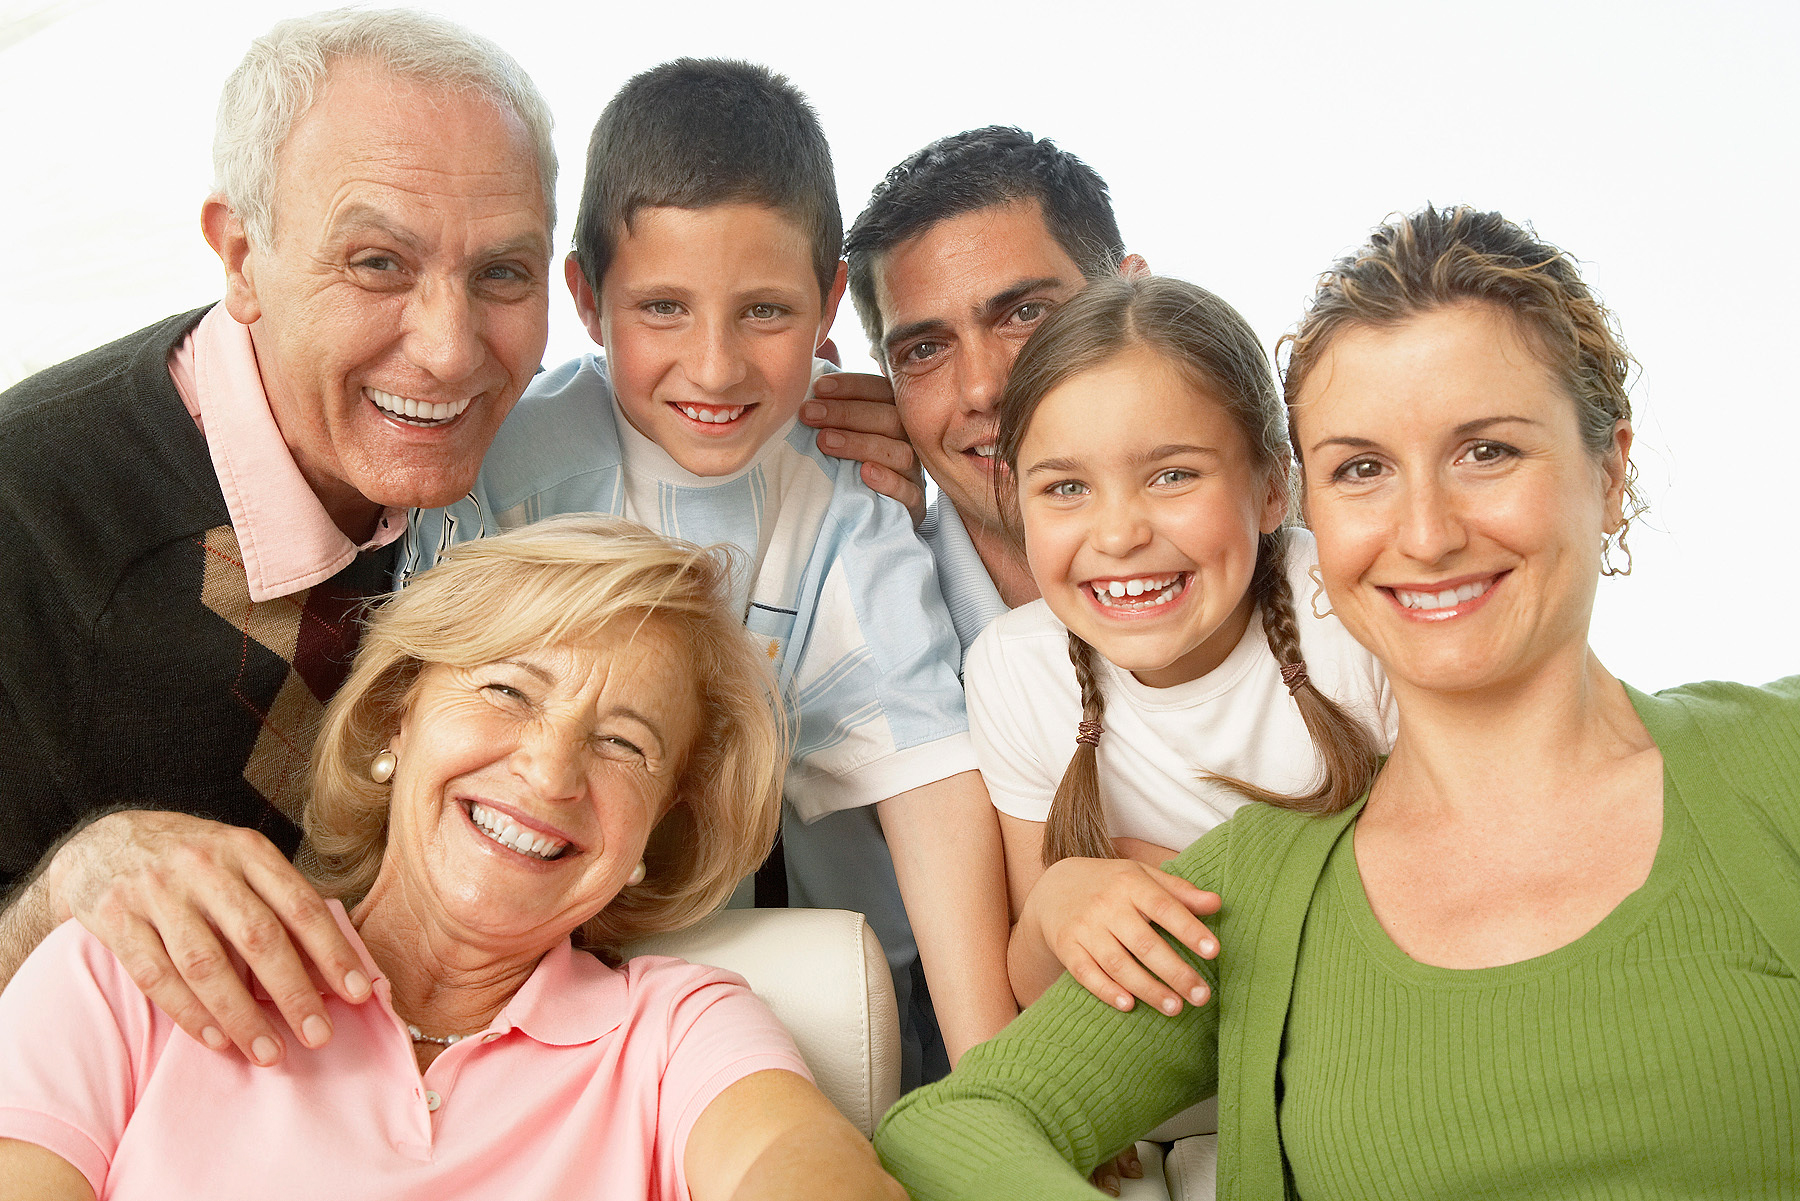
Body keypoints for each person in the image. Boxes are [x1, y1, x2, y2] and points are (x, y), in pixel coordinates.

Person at [873, 206, 1800, 1198]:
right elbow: (958, 1122)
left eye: (1487, 451)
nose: (1428, 531)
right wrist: (1059, 900)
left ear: (1609, 472)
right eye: (1362, 469)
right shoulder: (1265, 885)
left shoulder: (1769, 766)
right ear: (1315, 501)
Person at [400, 60, 1015, 1087]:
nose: (718, 367)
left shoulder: (846, 479)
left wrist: (1001, 1080)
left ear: (828, 304)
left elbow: (929, 776)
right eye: (665, 309)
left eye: (767, 313)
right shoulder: (505, 469)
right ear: (588, 300)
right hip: (537, 937)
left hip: (810, 950)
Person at [0, 515, 908, 1201]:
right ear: (399, 710)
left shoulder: (677, 1031)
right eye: (508, 688)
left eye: (624, 744)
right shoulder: (134, 963)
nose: (550, 772)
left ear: (656, 829)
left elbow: (802, 1167)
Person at [0, 8, 555, 1066]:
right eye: (378, 263)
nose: (448, 352)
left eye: (501, 274)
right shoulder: (29, 516)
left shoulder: (539, 482)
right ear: (242, 257)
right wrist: (66, 890)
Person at [971, 276, 1394, 1018]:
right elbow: (1043, 998)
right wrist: (1052, 910)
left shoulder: (1349, 612)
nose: (1119, 533)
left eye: (1172, 475)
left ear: (1272, 487)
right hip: (1165, 1119)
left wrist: (1217, 892)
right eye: (1066, 487)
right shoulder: (1014, 668)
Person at [841, 126, 1147, 655]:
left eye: (1024, 315)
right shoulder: (854, 644)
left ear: (1136, 294)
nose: (983, 389)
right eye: (924, 350)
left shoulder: (1316, 571)